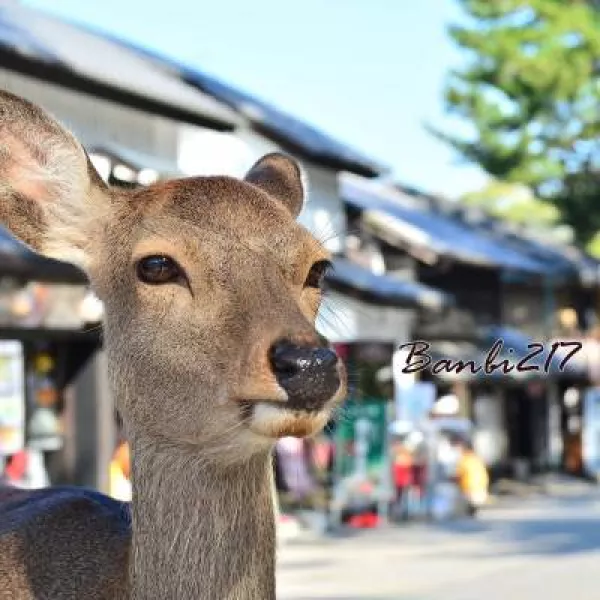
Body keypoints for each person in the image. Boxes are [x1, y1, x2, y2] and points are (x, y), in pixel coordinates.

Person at [453, 438, 489, 517]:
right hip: (482, 491)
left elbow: (458, 476)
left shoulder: (464, 460)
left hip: (470, 493)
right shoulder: (477, 459)